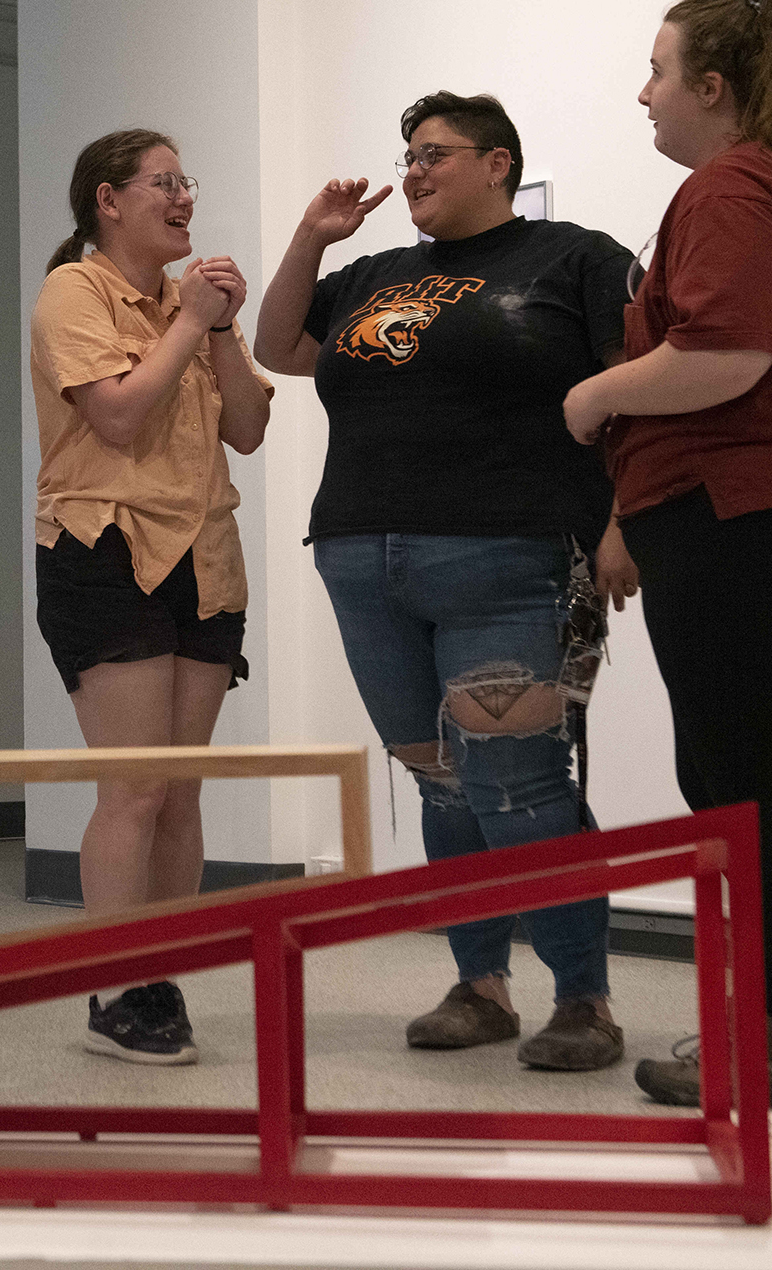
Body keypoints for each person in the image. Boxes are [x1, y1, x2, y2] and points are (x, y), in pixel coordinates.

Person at [564, 0, 772, 1108]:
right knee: (752, 773)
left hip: (746, 511)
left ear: (712, 87)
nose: (642, 92)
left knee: (736, 786)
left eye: (657, 70)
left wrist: (591, 395)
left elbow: (724, 356)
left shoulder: (731, 185)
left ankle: (769, 1041)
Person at [254, 92, 635, 1074]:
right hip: (361, 558)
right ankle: (478, 985)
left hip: (509, 559)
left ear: (497, 163)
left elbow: (640, 398)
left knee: (520, 787)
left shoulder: (573, 259)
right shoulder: (373, 274)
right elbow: (275, 348)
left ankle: (582, 1001)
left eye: (433, 155)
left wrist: (621, 523)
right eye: (406, 156)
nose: (412, 171)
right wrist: (310, 234)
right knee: (440, 780)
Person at [31, 129, 272, 1066]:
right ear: (109, 201)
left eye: (186, 183)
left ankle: (157, 973)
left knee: (178, 791)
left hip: (203, 554)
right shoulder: (73, 292)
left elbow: (247, 430)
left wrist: (214, 326)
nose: (182, 198)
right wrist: (187, 326)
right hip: (106, 549)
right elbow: (120, 416)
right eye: (162, 184)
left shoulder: (193, 302)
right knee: (132, 786)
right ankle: (111, 983)